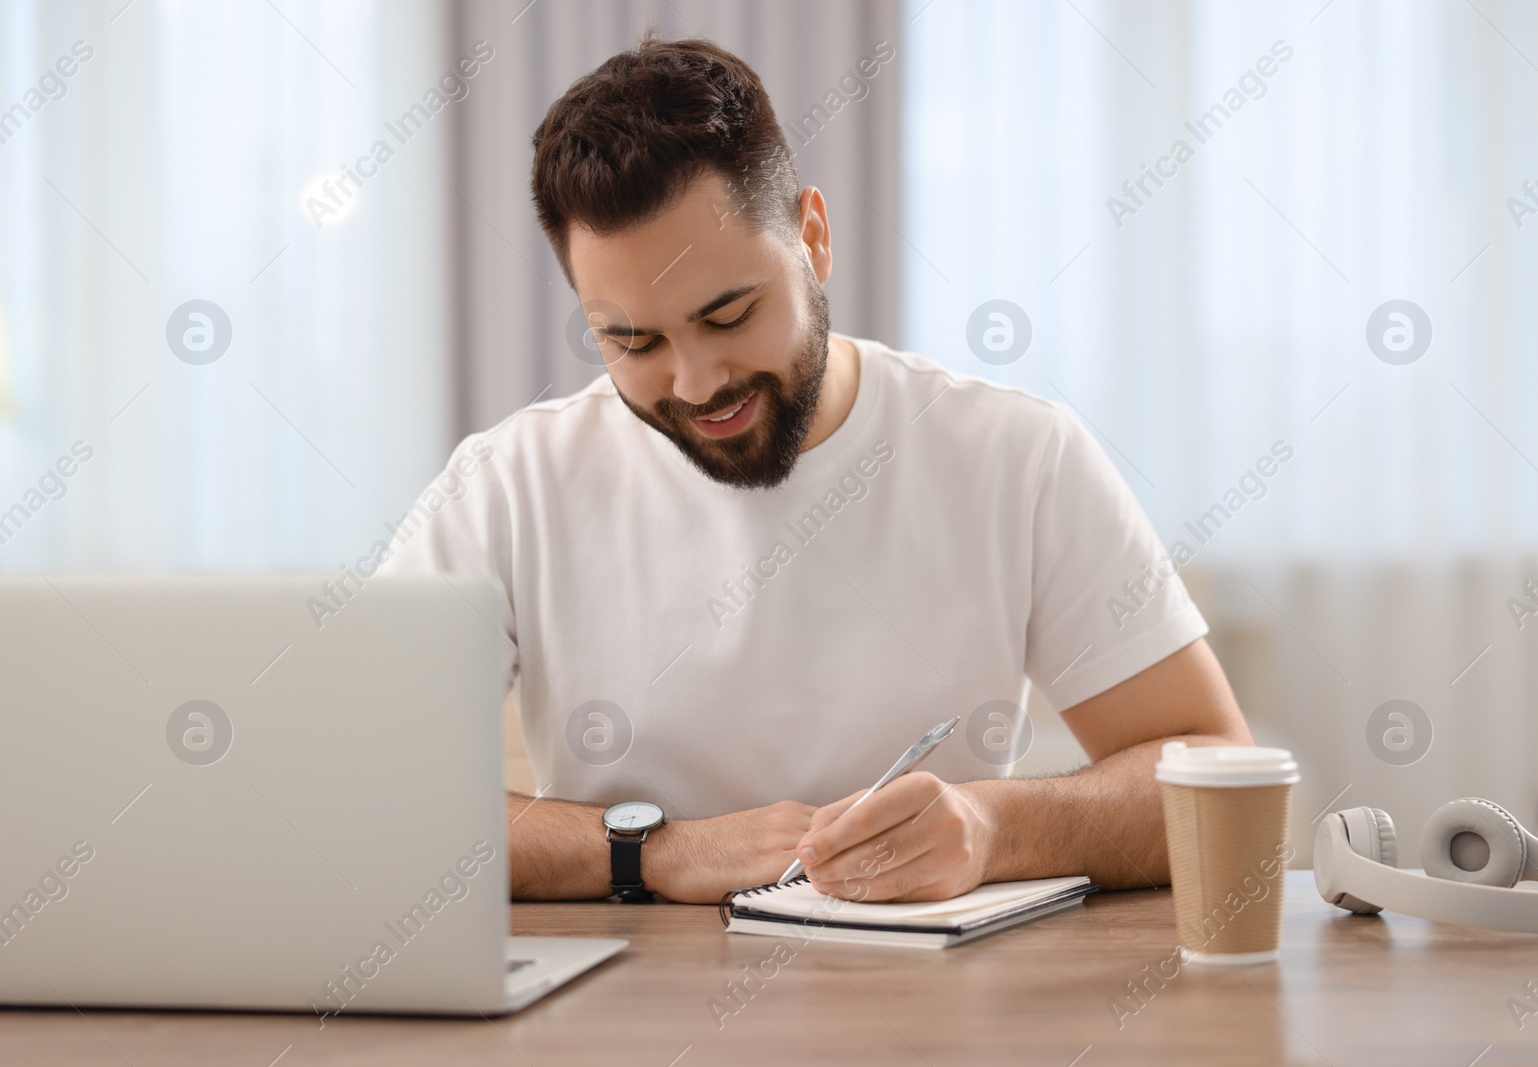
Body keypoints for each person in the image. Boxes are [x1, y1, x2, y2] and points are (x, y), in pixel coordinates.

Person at [383, 34, 1253, 905]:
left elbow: (1220, 777)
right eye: (632, 340)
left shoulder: (1016, 456)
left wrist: (995, 829)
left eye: (729, 315)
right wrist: (655, 851)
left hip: (929, 1016)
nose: (697, 383)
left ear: (814, 237)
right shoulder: (506, 486)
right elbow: (374, 800)